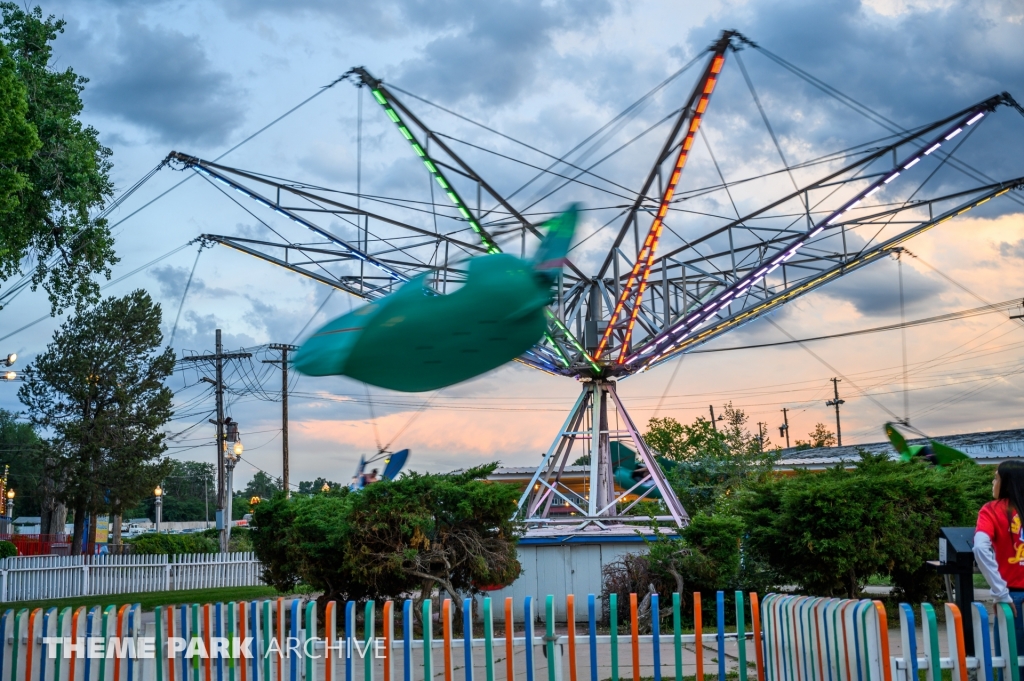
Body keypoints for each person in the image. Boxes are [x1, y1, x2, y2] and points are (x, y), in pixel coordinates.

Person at [974, 460, 1024, 649]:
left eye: (996, 478)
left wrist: (1000, 592)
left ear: (1007, 483)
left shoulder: (991, 510)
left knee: (1010, 664)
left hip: (1012, 600)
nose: (993, 483)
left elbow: (980, 548)